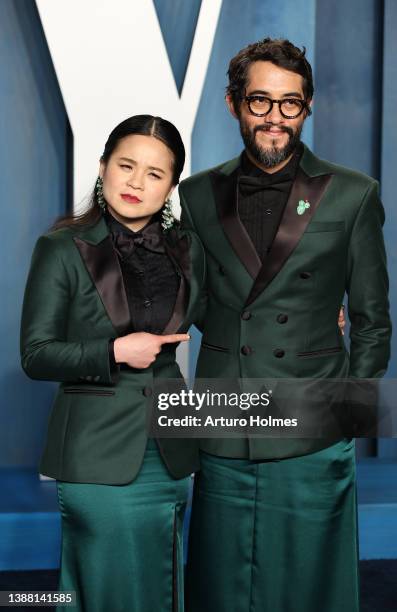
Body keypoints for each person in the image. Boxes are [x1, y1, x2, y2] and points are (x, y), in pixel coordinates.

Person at [179, 38, 391, 612]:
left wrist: (350, 411)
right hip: (226, 414)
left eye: (289, 103)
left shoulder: (352, 194)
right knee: (221, 587)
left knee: (310, 587)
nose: (275, 118)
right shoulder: (195, 194)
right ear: (233, 104)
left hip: (313, 422)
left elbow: (373, 320)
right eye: (260, 101)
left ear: (308, 106)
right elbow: (191, 300)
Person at [20, 115, 205, 612]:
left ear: (170, 187)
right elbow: (36, 355)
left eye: (154, 173)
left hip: (169, 450)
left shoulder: (189, 252)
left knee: (160, 582)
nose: (136, 182)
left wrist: (323, 311)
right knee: (102, 585)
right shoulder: (60, 248)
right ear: (103, 168)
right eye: (126, 165)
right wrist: (114, 352)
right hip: (95, 451)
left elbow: (238, 312)